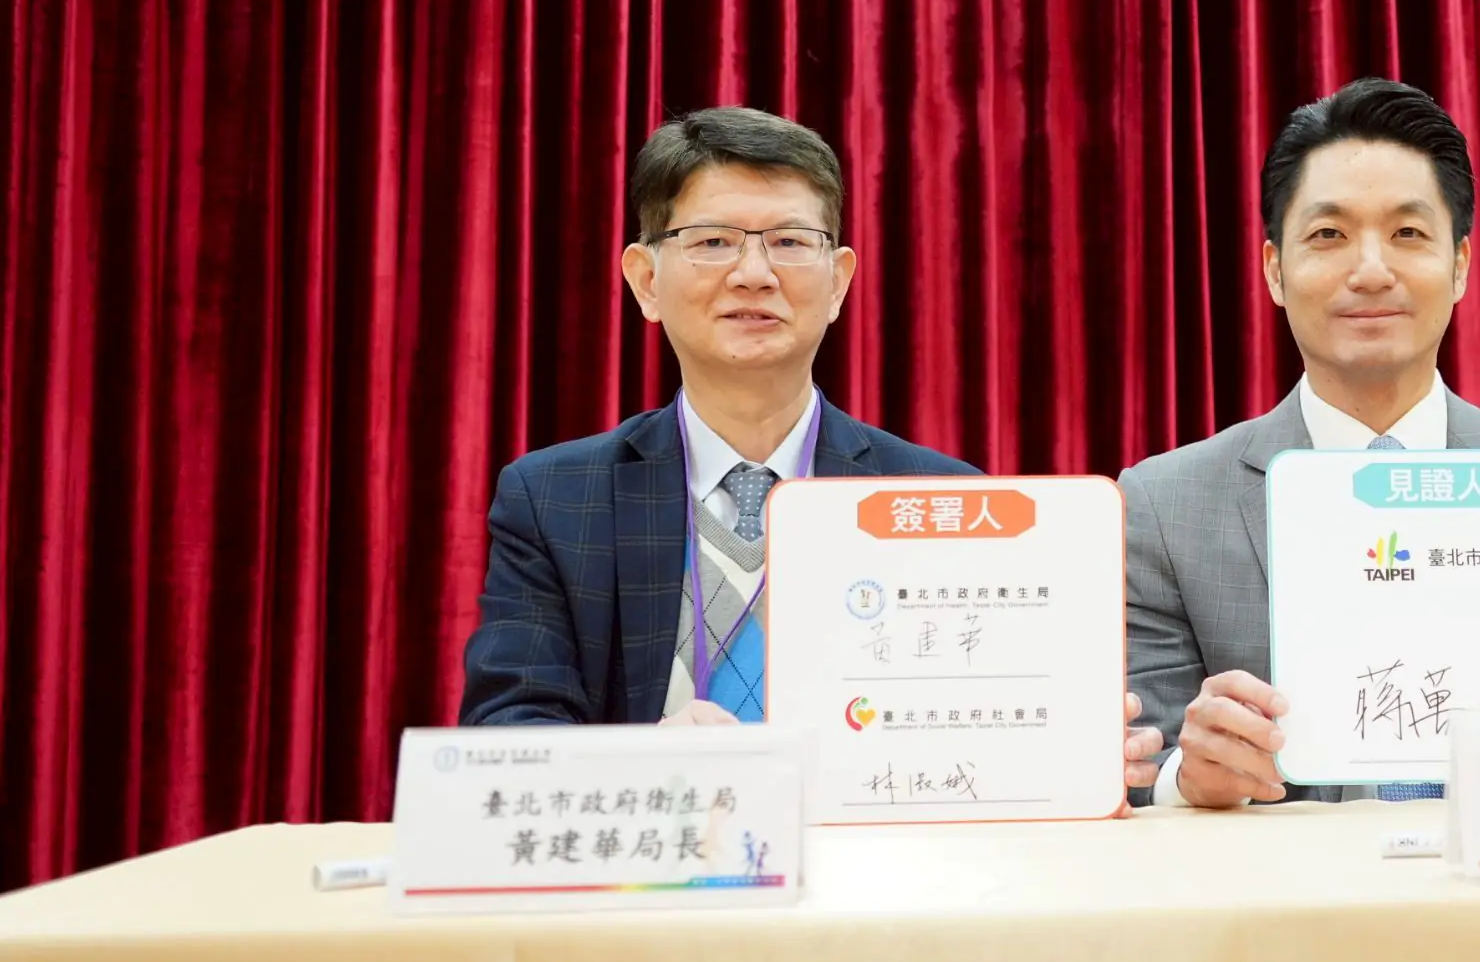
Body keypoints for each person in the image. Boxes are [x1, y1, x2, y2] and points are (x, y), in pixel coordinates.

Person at [460, 106, 1167, 795]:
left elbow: (980, 727)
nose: (754, 273)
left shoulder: (940, 498)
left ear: (838, 282)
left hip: (875, 867)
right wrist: (646, 768)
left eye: (791, 242)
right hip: (653, 865)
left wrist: (1064, 746)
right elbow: (507, 736)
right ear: (646, 280)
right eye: (713, 241)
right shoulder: (556, 499)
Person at [1124, 78, 1480, 808]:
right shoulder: (1163, 507)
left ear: (1459, 267)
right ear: (1274, 270)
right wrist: (1187, 776)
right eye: (1329, 235)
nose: (1370, 271)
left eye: (1408, 234)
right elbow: (1145, 761)